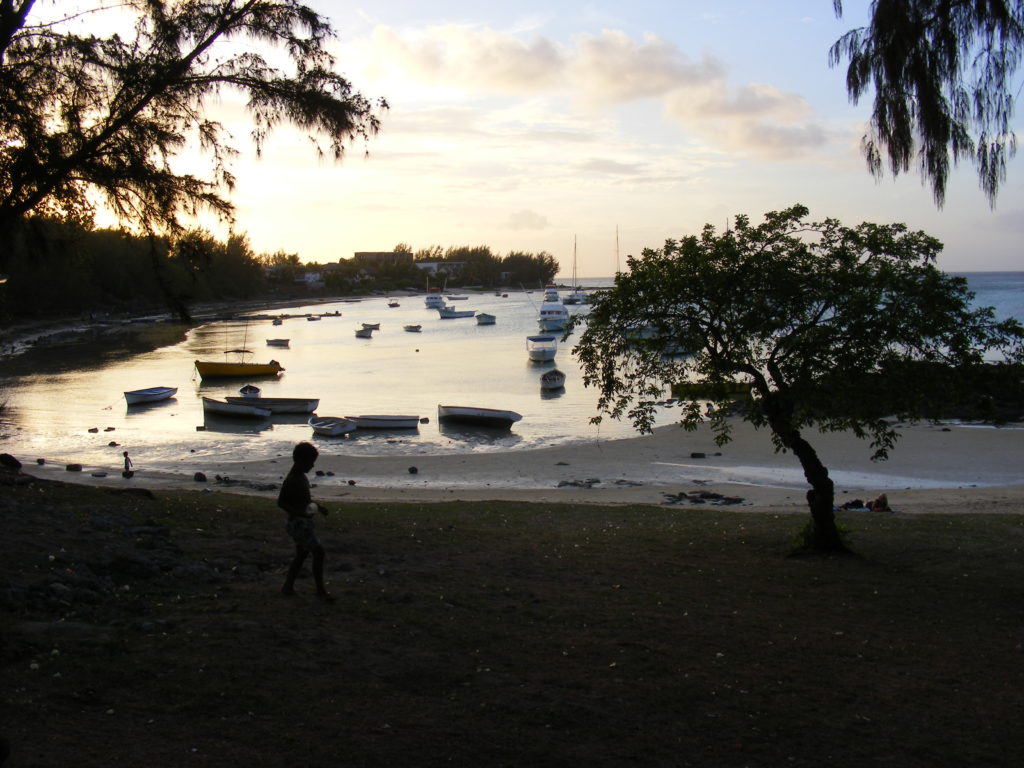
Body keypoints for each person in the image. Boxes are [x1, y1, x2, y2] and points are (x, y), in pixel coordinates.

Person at [277, 441, 334, 602]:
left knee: (302, 555)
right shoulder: (292, 480)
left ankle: (288, 586)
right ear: (299, 460)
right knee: (318, 552)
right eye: (310, 462)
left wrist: (319, 507)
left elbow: (306, 500)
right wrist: (298, 513)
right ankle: (320, 591)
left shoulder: (301, 477)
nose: (312, 466)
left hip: (303, 522)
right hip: (298, 523)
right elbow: (281, 502)